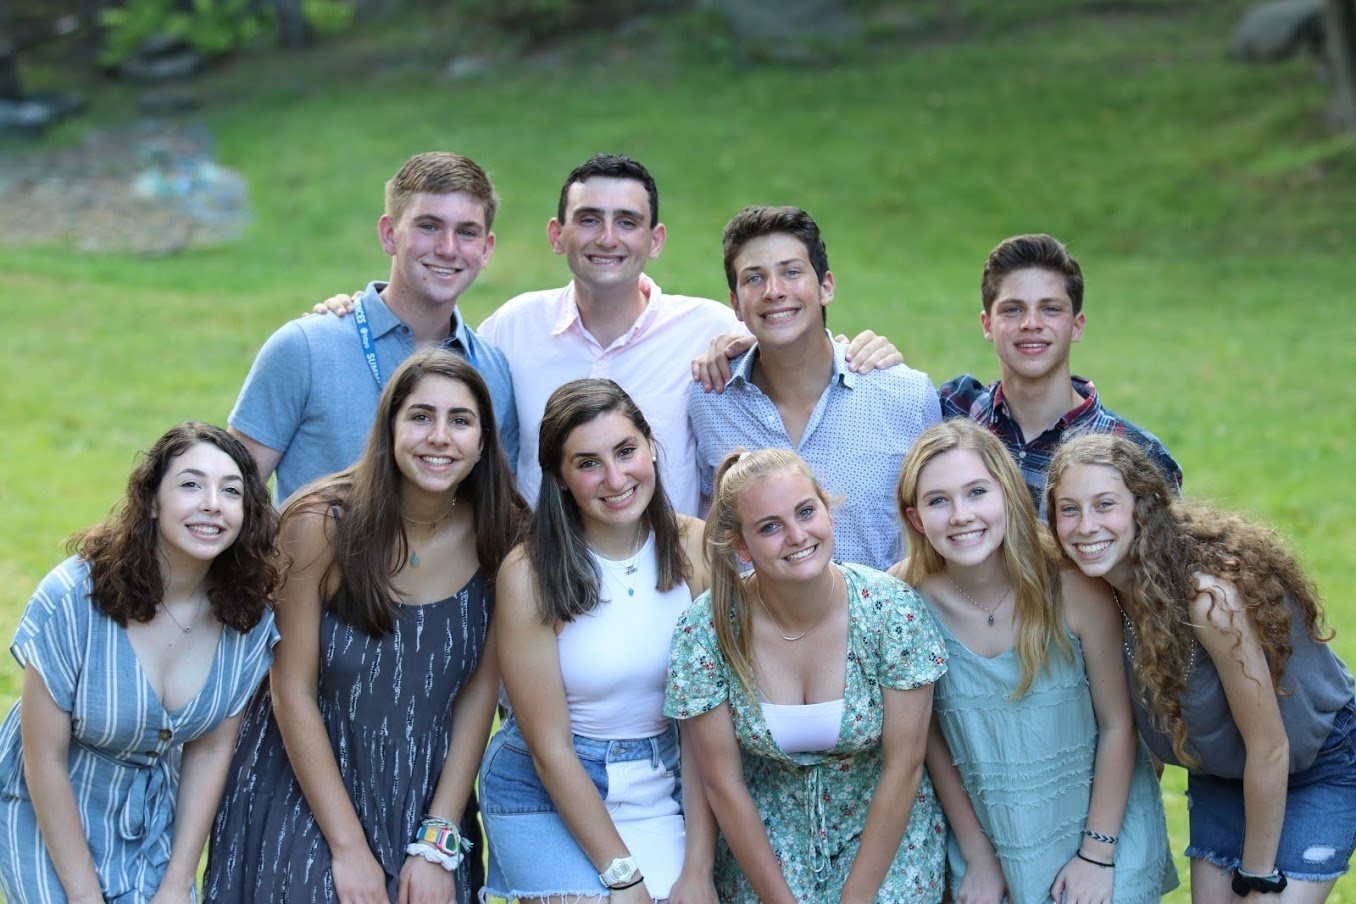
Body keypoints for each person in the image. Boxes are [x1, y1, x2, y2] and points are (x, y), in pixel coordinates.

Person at [319, 154, 900, 515]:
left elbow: (790, 337)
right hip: (541, 589)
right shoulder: (512, 329)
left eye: (627, 222)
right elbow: (435, 372)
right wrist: (353, 311)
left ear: (656, 239)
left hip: (672, 592)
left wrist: (858, 350)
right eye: (588, 219)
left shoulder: (709, 328)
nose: (607, 238)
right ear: (557, 234)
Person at [206, 349, 524, 903]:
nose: (440, 437)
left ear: (482, 443)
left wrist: (439, 839)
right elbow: (291, 690)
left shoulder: (504, 534)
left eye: (461, 421)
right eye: (421, 417)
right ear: (390, 427)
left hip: (426, 790)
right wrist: (348, 847)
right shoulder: (320, 525)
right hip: (305, 778)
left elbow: (479, 693)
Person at [1047, 434, 1356, 901]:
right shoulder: (1096, 594)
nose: (1086, 526)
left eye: (1105, 504)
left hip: (1318, 760)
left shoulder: (1208, 599)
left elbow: (1271, 748)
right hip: (1223, 772)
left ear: (1143, 508)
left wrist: (1257, 876)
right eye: (1069, 509)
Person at [894, 419, 1177, 903]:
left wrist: (1096, 855)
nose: (961, 515)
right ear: (916, 518)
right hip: (993, 845)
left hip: (1102, 838)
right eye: (938, 500)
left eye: (977, 492)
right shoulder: (908, 602)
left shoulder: (1073, 589)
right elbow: (932, 741)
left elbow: (1117, 726)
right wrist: (979, 856)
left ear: (1007, 492)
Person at [0, 423, 280, 904]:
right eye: (191, 484)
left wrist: (176, 882)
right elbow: (42, 759)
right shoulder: (72, 598)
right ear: (151, 502)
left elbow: (210, 753)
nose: (212, 502)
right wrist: (85, 895)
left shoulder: (248, 616)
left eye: (231, 491)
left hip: (154, 824)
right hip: (45, 812)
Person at [665, 448, 948, 902]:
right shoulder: (708, 629)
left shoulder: (889, 610)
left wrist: (856, 898)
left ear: (826, 507)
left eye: (805, 511)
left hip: (885, 841)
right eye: (770, 527)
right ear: (741, 545)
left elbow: (904, 765)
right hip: (766, 848)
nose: (797, 536)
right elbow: (723, 782)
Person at [480, 378, 716, 903]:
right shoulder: (529, 574)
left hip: (664, 781)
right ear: (560, 479)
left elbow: (706, 723)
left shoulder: (695, 547)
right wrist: (623, 876)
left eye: (626, 451)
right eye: (587, 464)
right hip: (546, 791)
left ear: (651, 447)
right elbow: (550, 749)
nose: (615, 478)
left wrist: (699, 869)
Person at [229, 150, 517, 504]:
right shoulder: (305, 348)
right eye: (428, 226)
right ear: (389, 234)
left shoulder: (493, 372)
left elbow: (498, 511)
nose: (447, 248)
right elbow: (234, 495)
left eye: (467, 232)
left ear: (486, 249)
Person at [687, 205, 940, 569]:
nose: (773, 291)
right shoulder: (711, 397)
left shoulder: (906, 396)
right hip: (756, 623)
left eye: (791, 272)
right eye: (754, 278)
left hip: (879, 622)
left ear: (825, 286)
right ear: (736, 304)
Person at [938, 233, 1181, 513]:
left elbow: (1169, 555)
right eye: (1013, 309)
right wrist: (875, 352)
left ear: (1076, 326)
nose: (1031, 323)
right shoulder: (951, 412)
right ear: (987, 325)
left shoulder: (1138, 453)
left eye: (1050, 309)